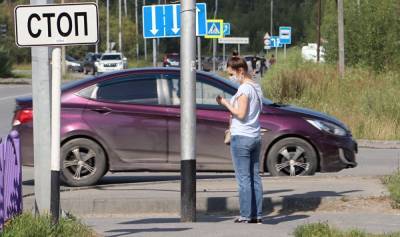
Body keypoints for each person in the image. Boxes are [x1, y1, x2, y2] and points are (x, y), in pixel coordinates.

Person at [216, 56, 264, 224]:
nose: (231, 77)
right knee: (254, 177)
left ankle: (245, 215)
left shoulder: (244, 89)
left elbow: (241, 114)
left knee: (244, 179)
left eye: (232, 74)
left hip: (242, 137)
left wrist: (226, 103)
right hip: (255, 136)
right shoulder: (256, 88)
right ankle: (257, 215)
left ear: (240, 71)